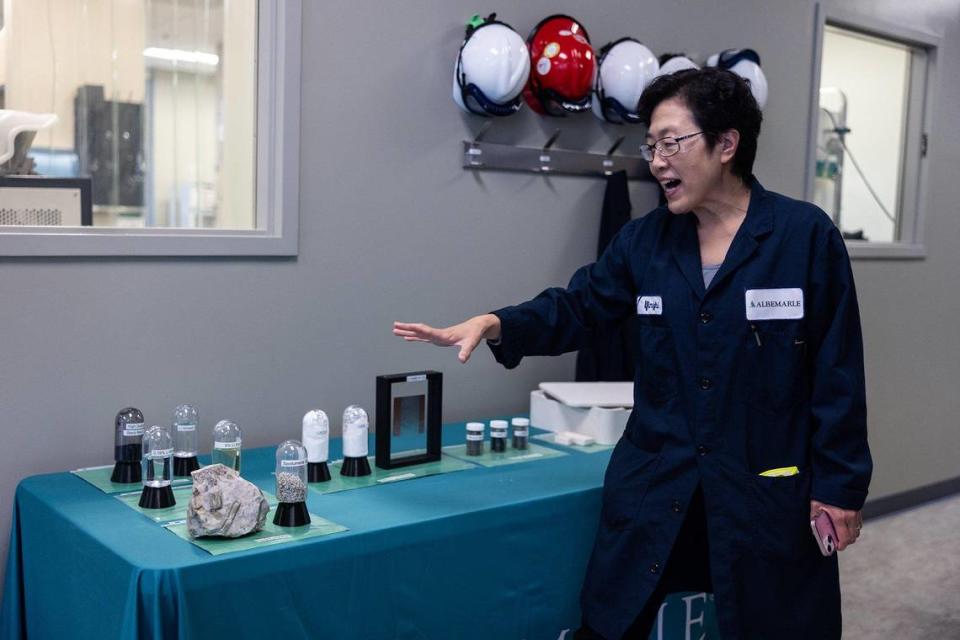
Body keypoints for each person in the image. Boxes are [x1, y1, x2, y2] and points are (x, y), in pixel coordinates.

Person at [394, 67, 871, 639]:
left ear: (726, 144)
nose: (657, 160)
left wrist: (840, 488)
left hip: (761, 492)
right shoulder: (644, 243)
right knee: (613, 624)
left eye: (671, 142)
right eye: (651, 146)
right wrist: (498, 323)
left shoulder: (803, 238)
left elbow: (837, 372)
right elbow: (579, 307)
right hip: (659, 485)